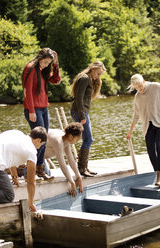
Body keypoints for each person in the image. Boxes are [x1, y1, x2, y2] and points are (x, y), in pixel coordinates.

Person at [22, 48, 61, 181]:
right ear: (39, 58)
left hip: (44, 108)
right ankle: (29, 172)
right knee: (38, 141)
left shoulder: (42, 70)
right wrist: (31, 110)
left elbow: (56, 80)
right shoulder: (31, 68)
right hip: (34, 109)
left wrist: (55, 64)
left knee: (43, 141)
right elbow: (27, 91)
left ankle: (40, 170)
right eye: (44, 62)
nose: (45, 65)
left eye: (48, 63)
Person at [70, 61, 106, 177]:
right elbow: (78, 98)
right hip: (79, 112)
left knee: (87, 139)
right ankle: (81, 168)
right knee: (88, 139)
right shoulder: (85, 78)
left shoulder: (90, 79)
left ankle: (84, 167)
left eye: (100, 74)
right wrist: (81, 115)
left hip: (83, 112)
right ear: (93, 69)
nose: (98, 76)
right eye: (98, 73)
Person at [45, 123, 84, 197]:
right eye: (78, 138)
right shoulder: (58, 141)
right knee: (46, 176)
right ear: (71, 136)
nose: (78, 140)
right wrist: (72, 182)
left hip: (42, 159)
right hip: (32, 157)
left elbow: (70, 159)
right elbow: (62, 164)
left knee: (48, 174)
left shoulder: (66, 139)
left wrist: (78, 176)